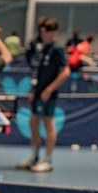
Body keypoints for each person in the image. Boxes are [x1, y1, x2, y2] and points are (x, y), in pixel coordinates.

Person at [17, 17, 70, 173]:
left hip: (49, 95)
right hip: (39, 93)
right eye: (41, 32)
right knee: (33, 123)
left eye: (46, 33)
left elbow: (65, 72)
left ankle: (48, 161)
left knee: (48, 125)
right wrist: (35, 91)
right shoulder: (42, 49)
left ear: (54, 33)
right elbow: (38, 74)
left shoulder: (56, 50)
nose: (43, 35)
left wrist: (49, 89)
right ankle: (34, 157)